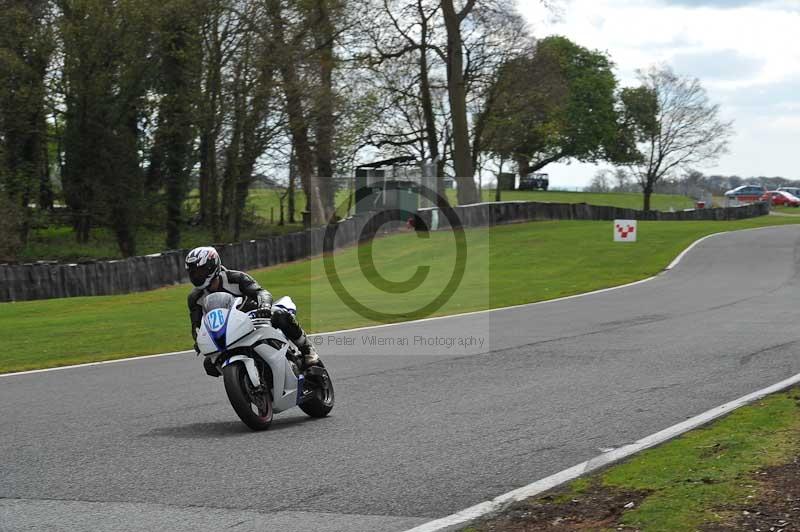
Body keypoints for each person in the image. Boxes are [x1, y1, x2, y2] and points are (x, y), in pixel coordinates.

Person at [185, 246, 319, 377]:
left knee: (280, 315)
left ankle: (307, 350)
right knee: (209, 365)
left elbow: (261, 292)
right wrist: (199, 340)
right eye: (193, 273)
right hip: (228, 332)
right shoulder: (195, 298)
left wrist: (265, 306)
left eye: (200, 271)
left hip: (255, 319)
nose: (196, 276)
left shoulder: (235, 278)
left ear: (212, 266)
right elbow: (196, 326)